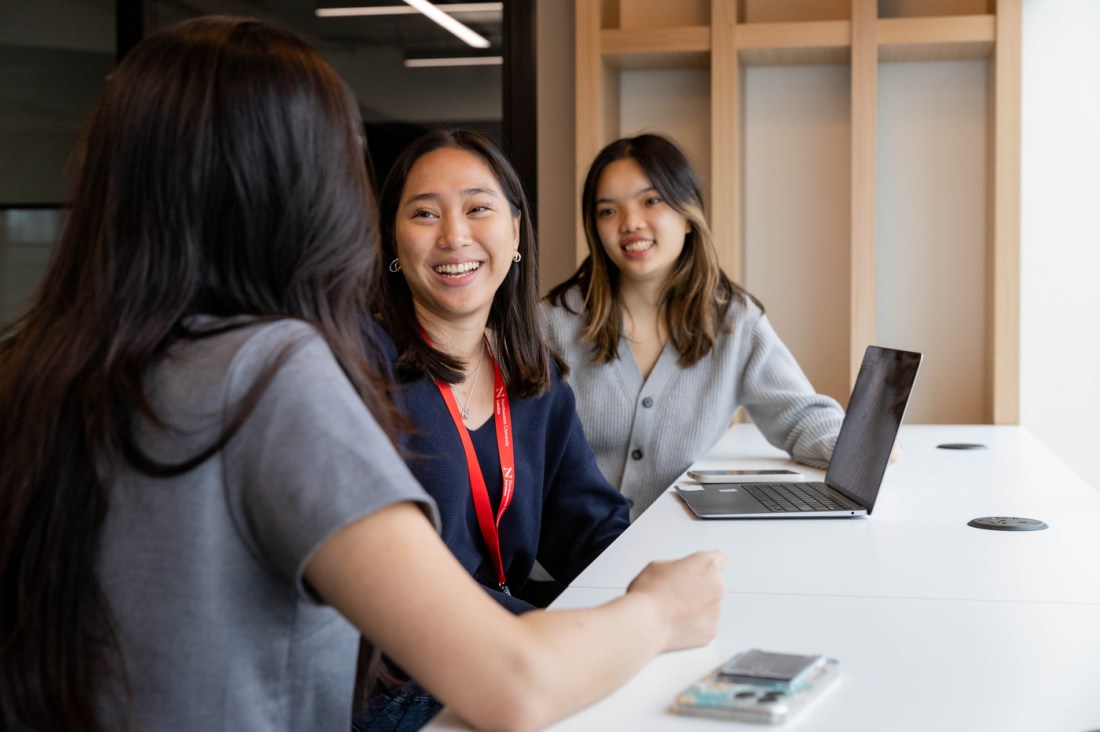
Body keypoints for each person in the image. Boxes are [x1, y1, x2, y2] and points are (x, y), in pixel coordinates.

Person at [0, 20, 725, 732]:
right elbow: (513, 683)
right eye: (341, 155)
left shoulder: (45, 365)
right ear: (291, 188)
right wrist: (659, 611)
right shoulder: (272, 373)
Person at [361, 129, 632, 728]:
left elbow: (590, 527)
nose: (454, 235)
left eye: (478, 208)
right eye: (425, 213)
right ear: (393, 242)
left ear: (515, 231)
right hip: (395, 686)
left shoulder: (531, 375)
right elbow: (406, 591)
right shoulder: (361, 369)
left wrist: (650, 583)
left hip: (499, 648)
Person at [544, 133, 847, 519]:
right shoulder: (552, 323)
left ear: (688, 215)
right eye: (608, 211)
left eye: (651, 201)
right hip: (564, 567)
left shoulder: (734, 322)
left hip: (675, 550)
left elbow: (799, 415)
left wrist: (857, 449)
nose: (629, 223)